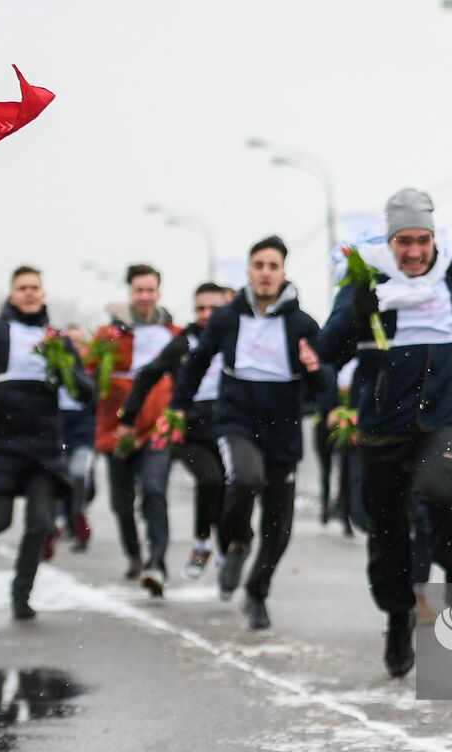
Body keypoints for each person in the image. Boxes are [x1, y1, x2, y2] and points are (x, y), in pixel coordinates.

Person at [314, 189, 452, 677]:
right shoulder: (367, 273)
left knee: (438, 488)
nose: (414, 252)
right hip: (381, 426)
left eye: (422, 240)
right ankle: (400, 616)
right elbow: (328, 350)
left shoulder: (450, 264)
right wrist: (356, 312)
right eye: (404, 241)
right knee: (386, 533)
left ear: (433, 238)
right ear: (390, 240)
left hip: (440, 415)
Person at [128, 236, 328, 631]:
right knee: (244, 478)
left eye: (273, 266)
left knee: (279, 524)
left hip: (283, 430)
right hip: (237, 420)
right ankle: (236, 541)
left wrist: (324, 393)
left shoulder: (302, 324)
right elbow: (197, 362)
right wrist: (180, 406)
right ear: (249, 272)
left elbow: (322, 374)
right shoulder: (227, 318)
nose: (265, 273)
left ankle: (257, 591)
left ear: (283, 273)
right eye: (259, 265)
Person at [0, 266, 92, 620]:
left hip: (42, 448)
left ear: (43, 294)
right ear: (11, 294)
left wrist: (70, 377)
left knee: (40, 524)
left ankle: (21, 593)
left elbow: (85, 390)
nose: (29, 293)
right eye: (22, 287)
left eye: (35, 287)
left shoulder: (56, 338)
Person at [88, 264, 182, 596]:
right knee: (122, 503)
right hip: (118, 432)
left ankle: (157, 561)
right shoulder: (108, 337)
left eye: (150, 290)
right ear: (130, 294)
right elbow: (89, 378)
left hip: (157, 430)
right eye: (138, 290)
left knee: (155, 491)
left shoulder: (175, 335)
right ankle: (134, 554)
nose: (144, 296)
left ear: (159, 292)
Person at [126, 282, 231, 578]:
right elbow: (148, 375)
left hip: (227, 427)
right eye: (200, 309)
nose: (207, 314)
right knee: (210, 480)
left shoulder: (234, 338)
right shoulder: (184, 342)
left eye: (214, 308)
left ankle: (224, 547)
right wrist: (127, 418)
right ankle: (201, 542)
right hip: (189, 431)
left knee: (228, 488)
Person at [59, 324, 97, 553]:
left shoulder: (93, 369)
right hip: (58, 430)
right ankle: (71, 524)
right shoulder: (55, 367)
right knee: (62, 480)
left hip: (84, 430)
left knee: (79, 476)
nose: (74, 346)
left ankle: (77, 513)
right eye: (69, 341)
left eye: (78, 342)